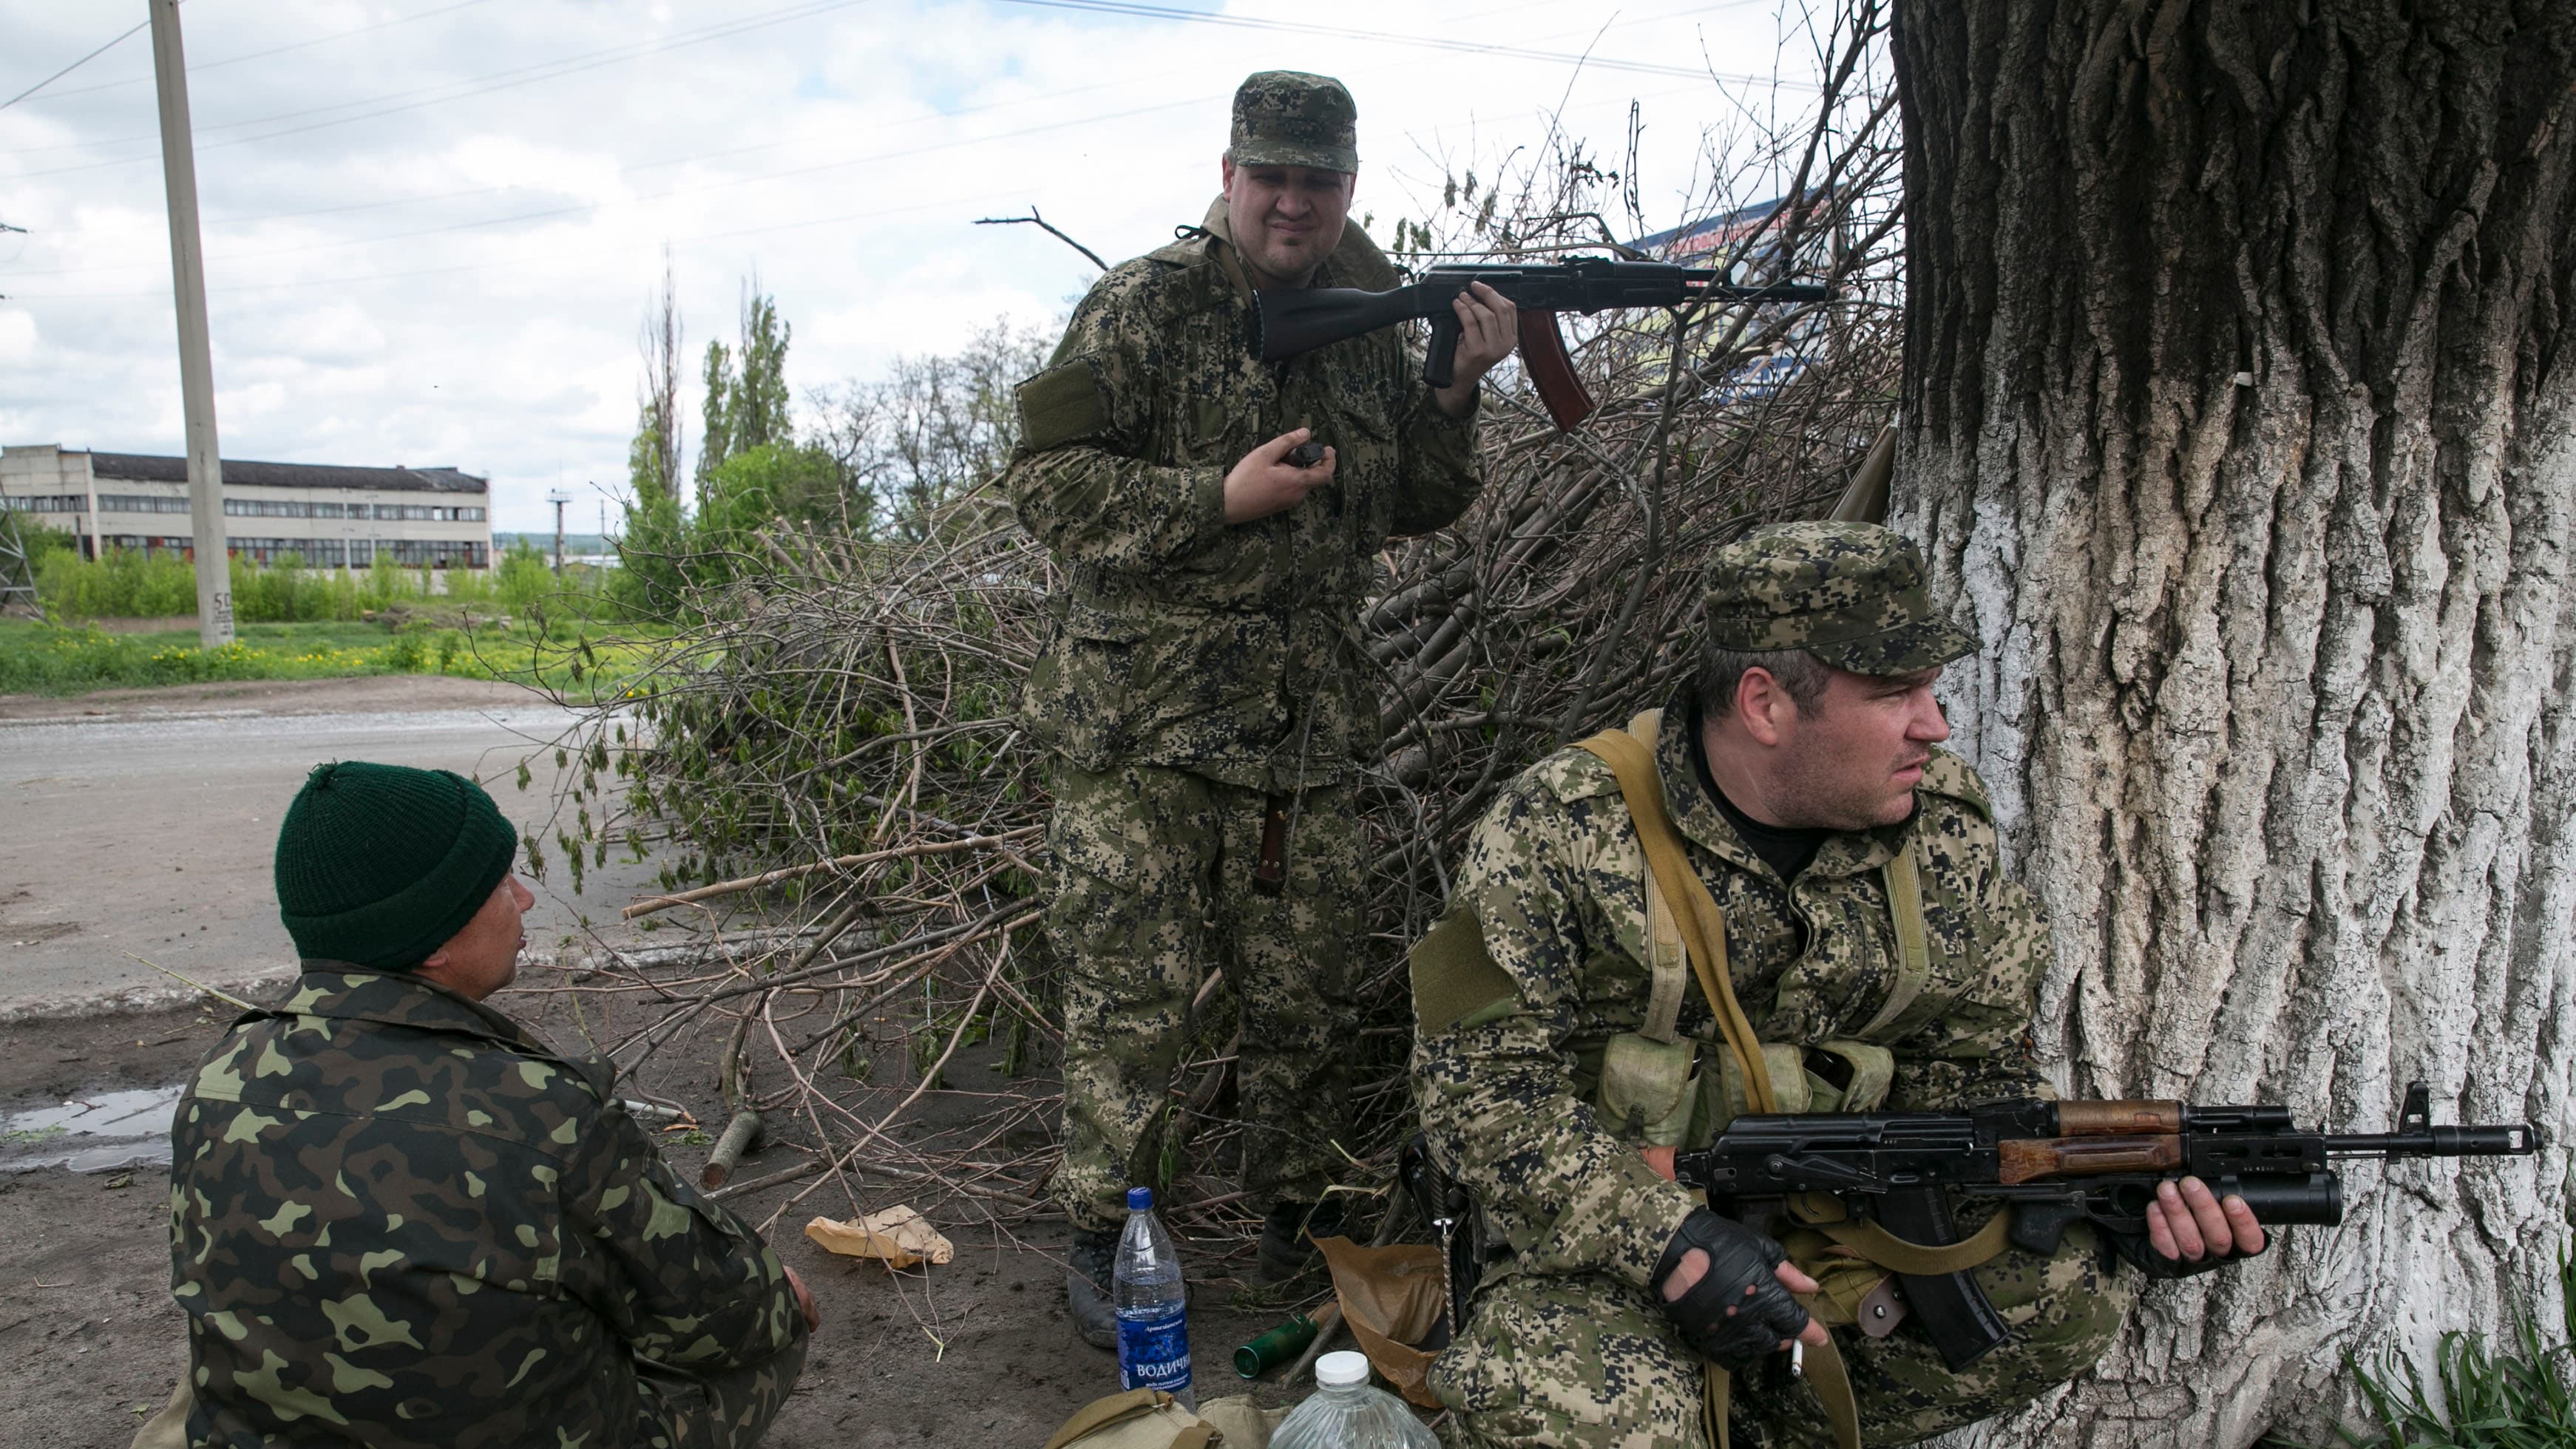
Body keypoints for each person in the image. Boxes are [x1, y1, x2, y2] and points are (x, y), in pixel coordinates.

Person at [1408, 523, 2267, 1448]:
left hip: (1838, 1223)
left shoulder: (1941, 827)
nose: (1934, 725)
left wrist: (2093, 1188)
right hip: (1609, 1237)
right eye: (1896, 694)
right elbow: (1478, 1093)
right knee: (1580, 1416)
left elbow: (1969, 1062)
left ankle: (1769, 1422)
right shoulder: (1559, 826)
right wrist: (1666, 1240)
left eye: (1930, 689)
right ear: (1764, 703)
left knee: (2066, 1286)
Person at [1002, 68, 1516, 1344]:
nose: (1292, 202)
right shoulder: (1138, 306)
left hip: (1301, 735)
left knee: (1312, 996)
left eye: (1318, 179)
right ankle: (1104, 1231)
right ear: (1227, 175)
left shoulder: (1373, 304)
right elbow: (1045, 487)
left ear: (1348, 183)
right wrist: (1208, 503)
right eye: (1269, 176)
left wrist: (1454, 387)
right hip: (1142, 735)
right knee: (1132, 999)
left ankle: (1305, 1226)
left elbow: (1412, 495)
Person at [151, 761, 816, 1449]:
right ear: (434, 938)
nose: (524, 900)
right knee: (775, 1321)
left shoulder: (222, 1076)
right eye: (502, 883)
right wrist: (781, 1298)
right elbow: (723, 1310)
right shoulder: (538, 1113)